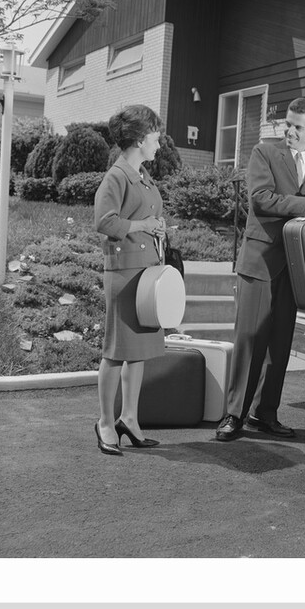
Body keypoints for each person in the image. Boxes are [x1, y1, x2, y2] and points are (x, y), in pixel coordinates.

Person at [216, 97, 305, 442]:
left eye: (298, 127)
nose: (290, 131)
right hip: (260, 262)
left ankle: (264, 414)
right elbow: (261, 200)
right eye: (288, 124)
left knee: (280, 344)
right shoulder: (264, 152)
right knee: (249, 341)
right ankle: (233, 414)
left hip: (293, 267)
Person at [93, 104, 168, 456]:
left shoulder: (142, 175)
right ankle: (106, 423)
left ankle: (130, 419)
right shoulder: (117, 176)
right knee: (116, 352)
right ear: (139, 139)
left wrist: (158, 228)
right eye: (155, 137)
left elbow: (147, 215)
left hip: (145, 271)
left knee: (136, 353)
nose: (160, 143)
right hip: (124, 274)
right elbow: (105, 222)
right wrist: (142, 226)